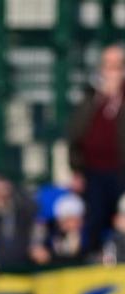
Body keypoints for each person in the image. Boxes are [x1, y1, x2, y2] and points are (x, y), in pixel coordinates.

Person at [68, 44, 125, 254]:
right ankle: (90, 259)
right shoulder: (91, 98)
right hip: (93, 171)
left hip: (120, 170)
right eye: (107, 67)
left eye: (117, 67)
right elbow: (75, 132)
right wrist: (76, 169)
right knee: (94, 218)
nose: (111, 73)